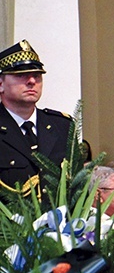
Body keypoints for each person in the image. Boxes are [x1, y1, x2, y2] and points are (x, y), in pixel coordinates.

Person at [0, 40, 73, 196]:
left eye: (37, 75)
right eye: (21, 75)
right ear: (1, 84)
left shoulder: (62, 126)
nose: (32, 81)